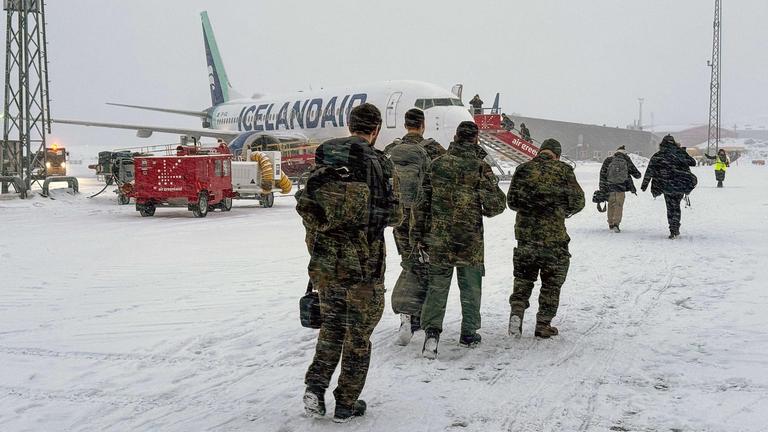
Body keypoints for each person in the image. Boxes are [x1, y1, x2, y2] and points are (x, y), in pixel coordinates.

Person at [299, 103, 401, 422]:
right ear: (376, 130)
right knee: (358, 334)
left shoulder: (325, 156)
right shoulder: (380, 163)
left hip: (327, 260)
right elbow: (395, 215)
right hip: (364, 264)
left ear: (349, 124)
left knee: (331, 327)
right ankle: (346, 402)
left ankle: (315, 388)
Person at [418, 121, 506, 359]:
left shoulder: (436, 165)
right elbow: (497, 205)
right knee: (471, 287)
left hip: (439, 238)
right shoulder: (479, 167)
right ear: (476, 139)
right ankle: (468, 333)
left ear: (455, 137)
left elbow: (421, 204)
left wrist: (419, 236)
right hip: (469, 240)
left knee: (437, 287)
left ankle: (432, 335)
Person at [507, 139, 585, 338]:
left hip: (526, 237)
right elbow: (578, 201)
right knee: (551, 283)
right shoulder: (563, 170)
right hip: (554, 238)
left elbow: (512, 201)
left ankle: (517, 312)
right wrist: (561, 211)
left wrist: (529, 208)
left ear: (540, 151)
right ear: (557, 155)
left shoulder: (523, 169)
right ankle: (543, 324)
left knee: (523, 278)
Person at [384, 108, 439, 346]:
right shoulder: (433, 150)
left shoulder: (391, 151)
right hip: (423, 220)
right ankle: (420, 316)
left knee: (408, 262)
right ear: (423, 125)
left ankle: (407, 317)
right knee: (425, 267)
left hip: (399, 220)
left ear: (405, 125)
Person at [640, 134, 697, 239]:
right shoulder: (680, 153)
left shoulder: (659, 155)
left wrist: (645, 184)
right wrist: (682, 154)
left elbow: (650, 170)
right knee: (676, 206)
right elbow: (693, 162)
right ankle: (676, 227)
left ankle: (673, 229)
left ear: (662, 144)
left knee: (670, 207)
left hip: (666, 185)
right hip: (680, 184)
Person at [599, 145, 641, 232]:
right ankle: (616, 224)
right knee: (619, 205)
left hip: (610, 186)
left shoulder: (608, 160)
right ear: (624, 153)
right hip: (621, 187)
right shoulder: (626, 160)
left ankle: (610, 223)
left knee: (611, 204)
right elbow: (637, 175)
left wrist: (602, 187)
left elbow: (602, 174)